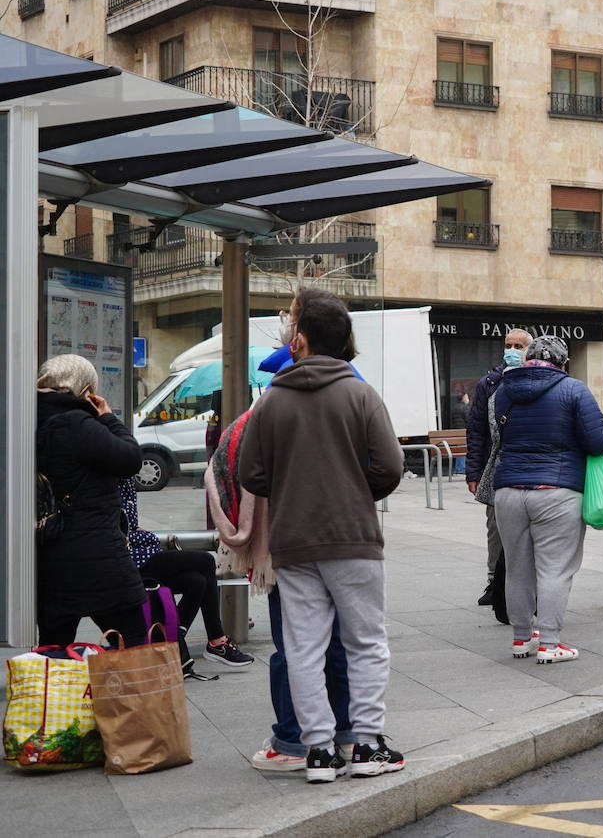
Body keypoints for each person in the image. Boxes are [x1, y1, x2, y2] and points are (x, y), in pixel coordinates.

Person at [238, 288, 405, 783]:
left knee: (304, 647)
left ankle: (318, 754)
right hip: (352, 537)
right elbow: (390, 466)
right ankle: (368, 744)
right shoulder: (360, 394)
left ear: (301, 341)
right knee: (366, 642)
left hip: (294, 541)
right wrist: (357, 488)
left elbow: (251, 473)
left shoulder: (271, 402)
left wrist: (290, 489)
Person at [209, 332, 356, 773]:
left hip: (285, 548)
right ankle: (348, 737)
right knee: (340, 644)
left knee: (292, 645)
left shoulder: (259, 418)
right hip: (342, 542)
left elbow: (233, 470)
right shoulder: (348, 404)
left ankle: (293, 743)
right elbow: (384, 466)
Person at [492, 335, 603, 664]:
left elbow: (497, 435)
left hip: (508, 490)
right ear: (563, 362)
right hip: (556, 490)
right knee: (555, 569)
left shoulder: (504, 391)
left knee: (517, 568)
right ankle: (549, 642)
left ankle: (520, 638)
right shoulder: (574, 390)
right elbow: (598, 443)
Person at [35, 354, 147, 647]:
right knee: (132, 646)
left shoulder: (29, 420)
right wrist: (108, 417)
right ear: (85, 388)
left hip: (51, 560)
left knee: (54, 653)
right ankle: (134, 694)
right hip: (98, 559)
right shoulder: (76, 424)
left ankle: (56, 694)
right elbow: (130, 459)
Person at [119, 479, 254, 673]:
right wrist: (144, 536)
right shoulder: (108, 480)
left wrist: (137, 532)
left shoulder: (125, 479)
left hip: (141, 555)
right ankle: (217, 641)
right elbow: (116, 533)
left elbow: (127, 526)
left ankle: (175, 639)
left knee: (196, 581)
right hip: (131, 562)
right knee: (206, 561)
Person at [467, 329, 532, 610]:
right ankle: (495, 581)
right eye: (509, 345)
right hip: (495, 466)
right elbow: (476, 430)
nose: (513, 350)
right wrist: (473, 472)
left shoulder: (535, 379)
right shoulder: (490, 382)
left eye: (519, 345)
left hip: (526, 466)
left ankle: (525, 583)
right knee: (495, 527)